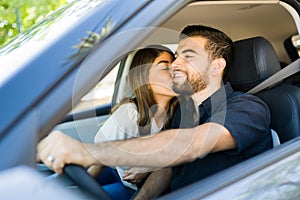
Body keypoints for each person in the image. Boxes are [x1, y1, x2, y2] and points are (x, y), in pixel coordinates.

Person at [37, 25, 273, 199]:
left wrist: (91, 152)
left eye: (188, 56)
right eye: (177, 55)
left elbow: (190, 145)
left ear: (217, 66)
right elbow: (168, 168)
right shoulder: (182, 113)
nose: (176, 64)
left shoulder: (248, 108)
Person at [86, 44, 178, 199]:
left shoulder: (182, 112)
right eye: (165, 68)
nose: (175, 72)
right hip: (117, 173)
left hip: (136, 187)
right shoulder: (129, 114)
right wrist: (82, 186)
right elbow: (101, 158)